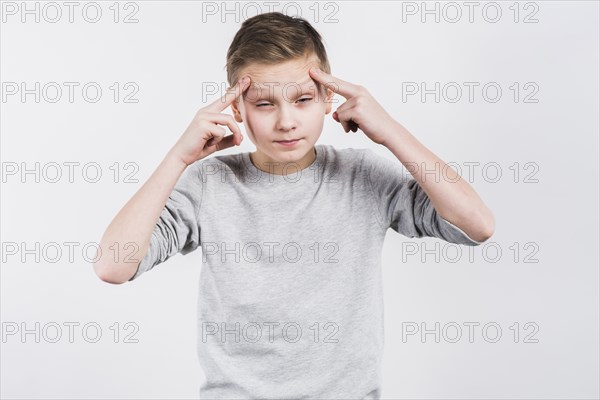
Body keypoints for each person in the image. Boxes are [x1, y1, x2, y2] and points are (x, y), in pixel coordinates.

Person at [93, 11, 495, 399]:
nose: (286, 121)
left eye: (303, 99)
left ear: (326, 99)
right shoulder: (209, 184)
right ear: (237, 109)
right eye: (265, 104)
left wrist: (390, 131)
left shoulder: (362, 176)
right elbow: (113, 265)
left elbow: (477, 225)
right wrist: (177, 158)